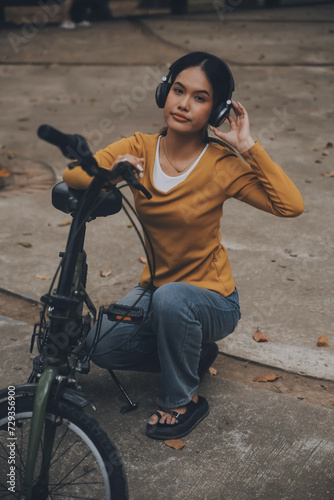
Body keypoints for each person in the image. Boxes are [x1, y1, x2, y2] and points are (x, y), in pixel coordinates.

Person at [63, 52, 304, 440]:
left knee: (172, 299)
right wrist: (112, 170)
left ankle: (183, 400)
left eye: (199, 98)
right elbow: (73, 173)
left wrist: (248, 146)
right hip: (155, 290)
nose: (183, 104)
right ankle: (190, 352)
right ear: (164, 91)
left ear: (216, 110)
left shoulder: (220, 164)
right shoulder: (139, 147)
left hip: (213, 300)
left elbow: (291, 205)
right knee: (99, 347)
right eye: (178, 90)